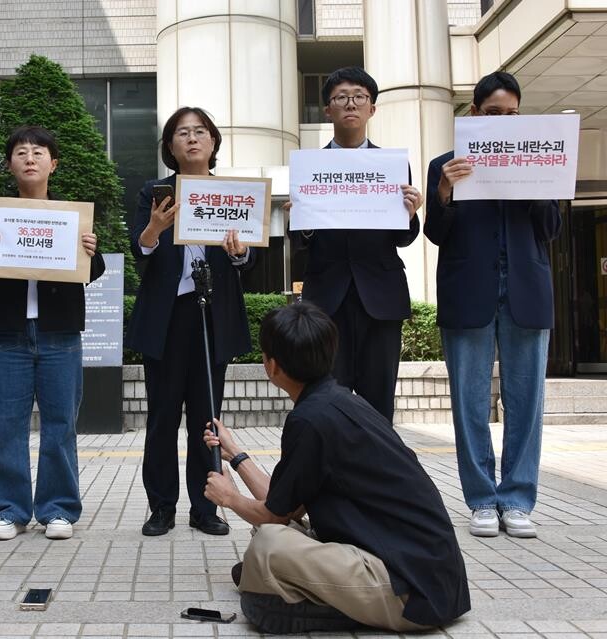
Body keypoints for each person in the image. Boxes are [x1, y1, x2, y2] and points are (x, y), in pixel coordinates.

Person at [202, 303, 470, 634]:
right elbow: (283, 504)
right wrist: (237, 455)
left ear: (271, 366)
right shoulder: (338, 403)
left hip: (410, 593)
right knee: (270, 535)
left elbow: (273, 518)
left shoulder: (310, 421)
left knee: (268, 542)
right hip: (433, 578)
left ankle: (299, 599)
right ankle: (281, 586)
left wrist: (229, 498)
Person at [425, 71, 560, 539]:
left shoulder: (538, 161)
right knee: (469, 403)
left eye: (512, 114)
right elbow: (435, 233)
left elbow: (550, 230)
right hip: (469, 292)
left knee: (527, 403)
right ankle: (482, 499)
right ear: (474, 114)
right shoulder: (446, 164)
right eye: (493, 113)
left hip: (526, 290)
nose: (503, 121)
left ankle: (519, 500)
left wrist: (539, 190)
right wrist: (444, 192)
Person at [0, 125, 104, 541]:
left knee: (61, 422)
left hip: (60, 332)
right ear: (10, 164)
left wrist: (91, 251)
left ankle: (58, 509)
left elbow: (90, 273)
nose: (30, 158)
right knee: (8, 423)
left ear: (53, 164)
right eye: (21, 152)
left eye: (39, 152)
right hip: (8, 333)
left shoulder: (72, 216)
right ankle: (8, 510)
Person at [125, 107, 255, 537]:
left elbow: (245, 255)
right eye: (183, 133)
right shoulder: (155, 192)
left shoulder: (232, 193)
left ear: (214, 143)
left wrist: (238, 252)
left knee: (207, 419)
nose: (193, 139)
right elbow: (140, 249)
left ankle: (206, 507)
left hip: (212, 314)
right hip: (167, 314)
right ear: (170, 146)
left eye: (201, 132)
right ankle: (161, 506)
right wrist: (155, 229)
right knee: (162, 416)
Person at [288, 67, 423, 423]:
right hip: (326, 299)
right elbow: (300, 242)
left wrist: (409, 214)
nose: (351, 103)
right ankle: (329, 476)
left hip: (380, 297)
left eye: (359, 97)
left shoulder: (391, 165)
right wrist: (300, 220)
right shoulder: (309, 167)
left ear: (372, 109)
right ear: (328, 110)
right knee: (324, 399)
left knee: (379, 403)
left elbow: (403, 238)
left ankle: (376, 477)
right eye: (341, 97)